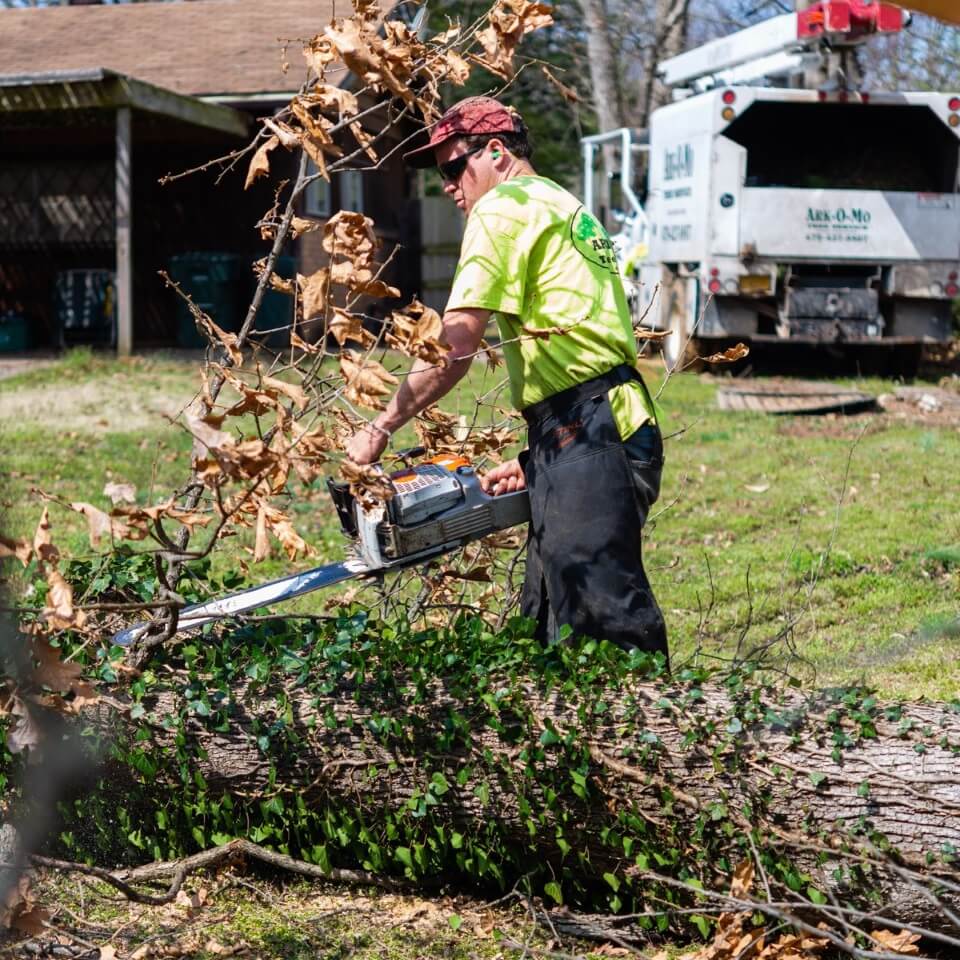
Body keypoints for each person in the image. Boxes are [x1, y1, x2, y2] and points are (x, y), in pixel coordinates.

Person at [345, 96, 668, 661]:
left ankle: (659, 740)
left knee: (604, 622)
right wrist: (539, 456)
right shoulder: (562, 204)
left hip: (592, 428)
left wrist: (380, 427)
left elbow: (456, 344)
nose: (449, 185)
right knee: (552, 617)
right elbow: (585, 340)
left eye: (454, 166)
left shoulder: (502, 209)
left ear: (496, 152)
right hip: (599, 421)